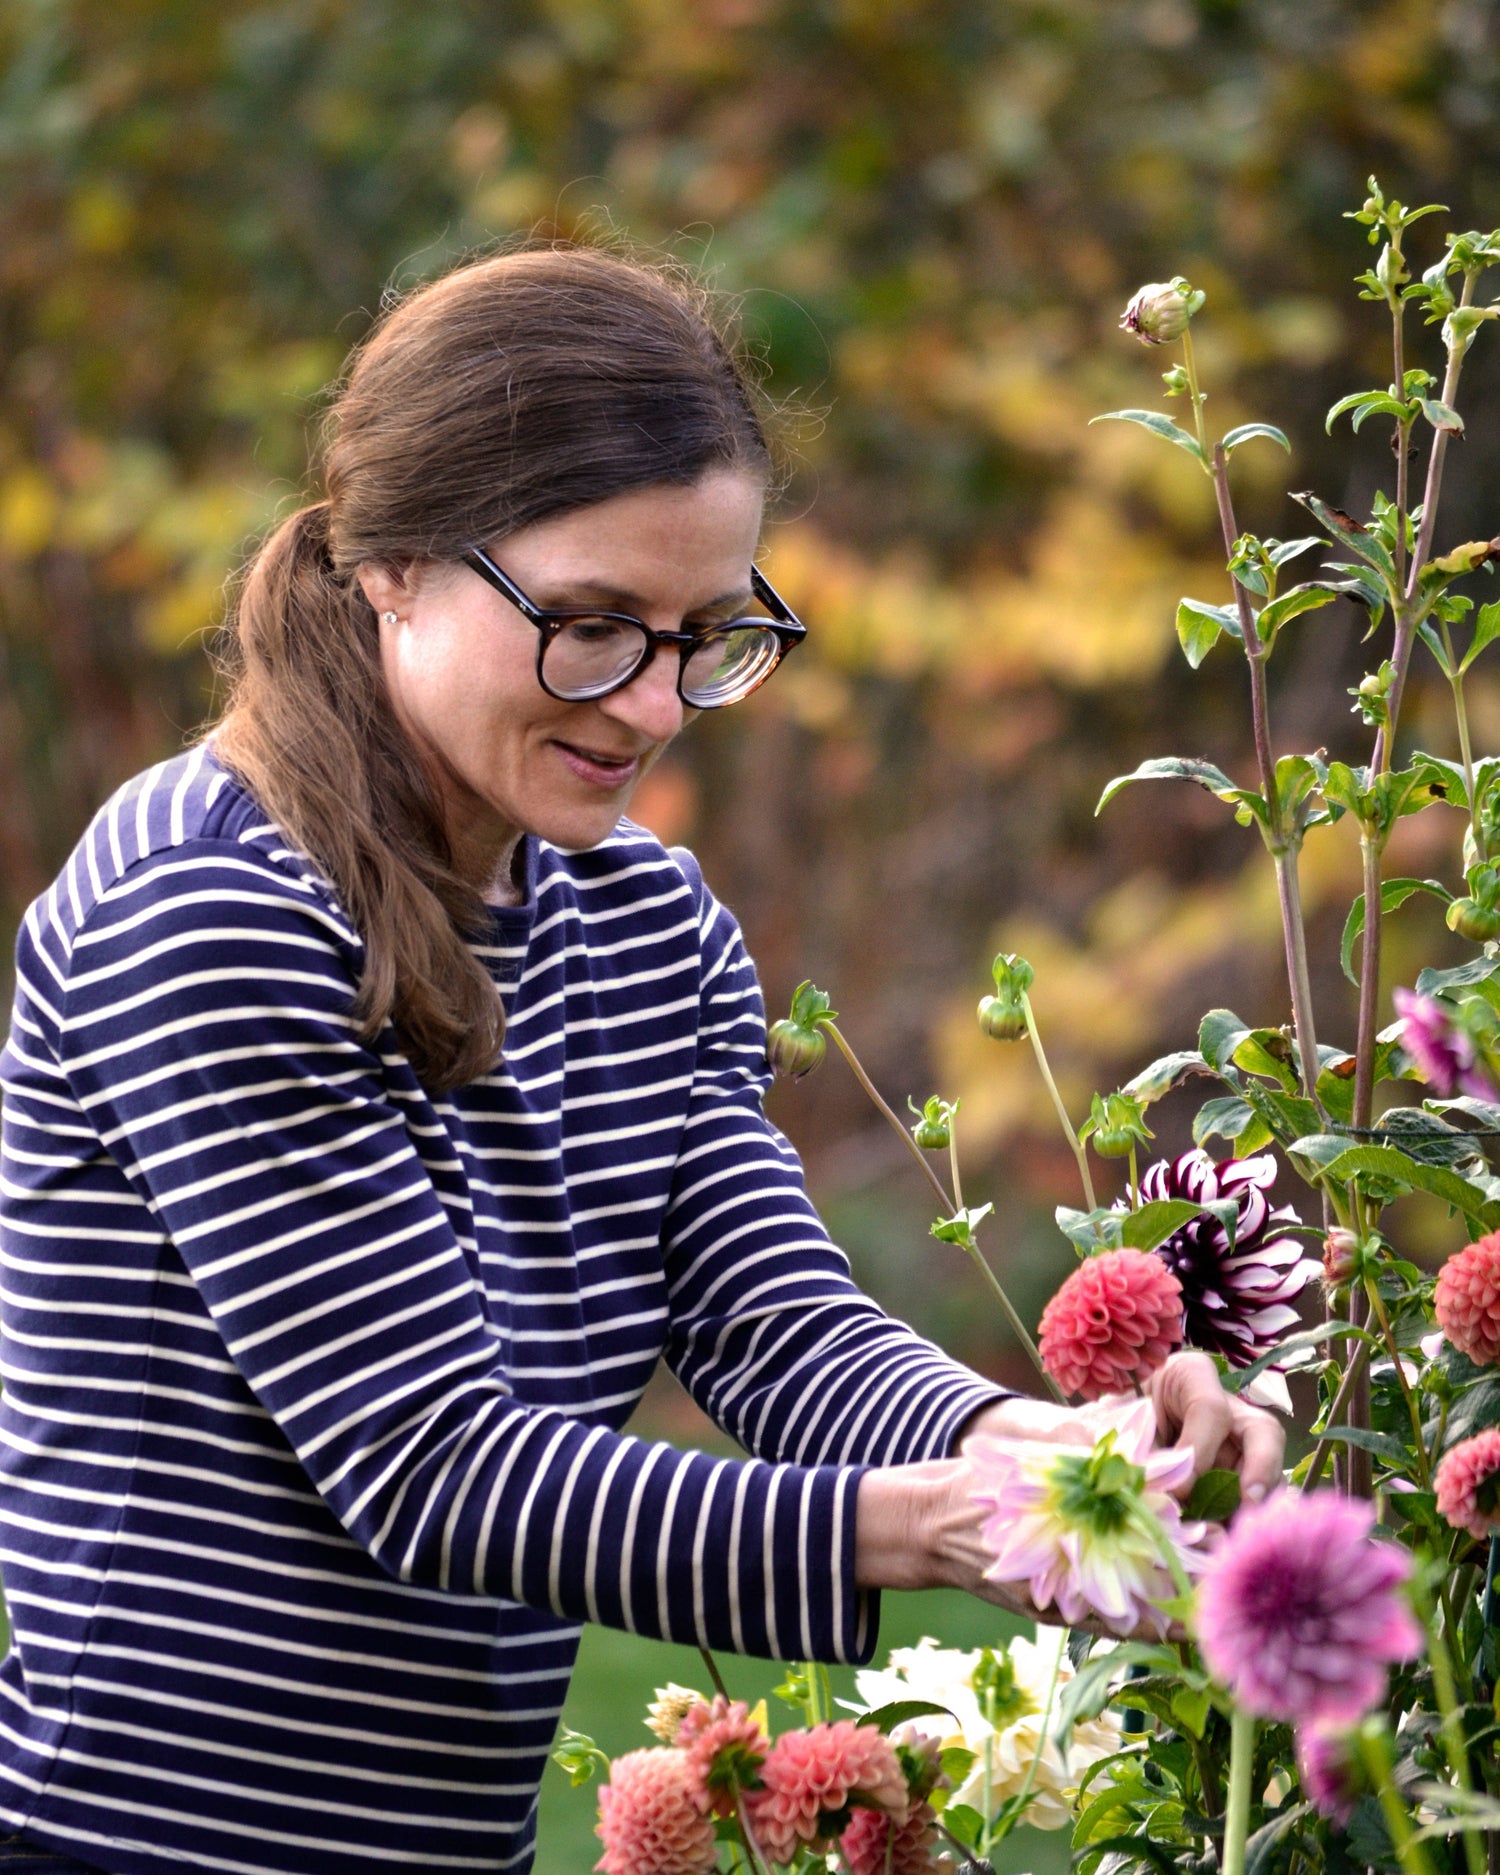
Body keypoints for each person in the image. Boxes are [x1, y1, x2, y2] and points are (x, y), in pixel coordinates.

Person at [0, 245, 1281, 1875]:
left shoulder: (641, 918)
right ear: (391, 560)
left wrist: (1024, 1456)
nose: (658, 705)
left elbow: (765, 1318)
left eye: (707, 635)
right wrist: (925, 1533)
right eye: (595, 625)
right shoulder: (213, 903)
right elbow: (433, 1468)